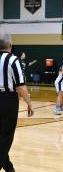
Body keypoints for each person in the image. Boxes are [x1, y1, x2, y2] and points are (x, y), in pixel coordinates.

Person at [0, 32, 34, 172]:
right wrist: (29, 103)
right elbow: (20, 86)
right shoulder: (14, 60)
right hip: (7, 100)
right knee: (6, 136)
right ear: (10, 45)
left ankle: (9, 168)